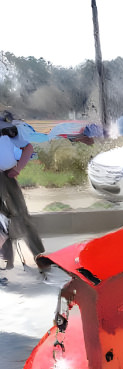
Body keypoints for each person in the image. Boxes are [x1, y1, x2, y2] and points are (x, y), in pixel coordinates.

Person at [0, 110, 47, 275]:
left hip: (5, 178)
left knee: (21, 216)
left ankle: (40, 257)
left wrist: (18, 168)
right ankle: (6, 262)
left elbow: (27, 147)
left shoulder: (5, 127)